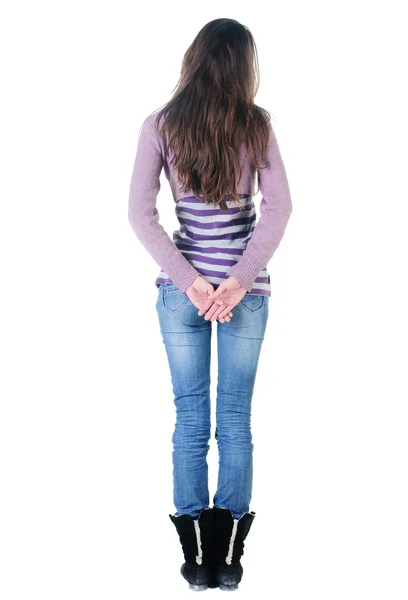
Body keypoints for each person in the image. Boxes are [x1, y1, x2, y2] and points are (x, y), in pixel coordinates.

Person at [127, 18, 293, 592]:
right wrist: (238, 282)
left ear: (194, 59)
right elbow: (277, 210)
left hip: (181, 294)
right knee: (235, 419)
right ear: (243, 65)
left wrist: (192, 282)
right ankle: (230, 558)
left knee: (191, 417)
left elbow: (141, 216)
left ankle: (195, 558)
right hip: (246, 297)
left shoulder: (161, 125)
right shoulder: (256, 125)